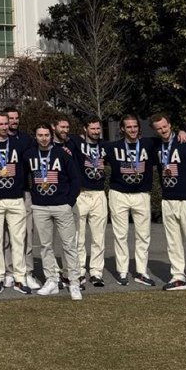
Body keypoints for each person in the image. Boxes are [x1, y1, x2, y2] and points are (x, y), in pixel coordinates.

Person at [149, 112, 186, 293]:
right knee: (173, 242)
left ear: (170, 125)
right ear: (155, 130)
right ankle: (178, 277)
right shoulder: (156, 145)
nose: (163, 130)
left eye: (165, 126)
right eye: (159, 128)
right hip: (168, 199)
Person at [0, 110, 33, 295]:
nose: (4, 127)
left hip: (15, 198)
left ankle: (20, 278)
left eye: (6, 123)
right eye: (0, 124)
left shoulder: (19, 144)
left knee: (19, 240)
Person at [28, 124, 83, 300]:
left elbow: (75, 179)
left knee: (69, 245)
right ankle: (51, 280)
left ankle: (74, 282)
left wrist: (69, 202)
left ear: (51, 136)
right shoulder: (30, 154)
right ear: (35, 136)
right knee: (45, 246)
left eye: (46, 135)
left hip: (62, 206)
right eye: (40, 135)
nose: (43, 138)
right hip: (40, 207)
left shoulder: (62, 154)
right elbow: (24, 177)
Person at [106, 114, 157, 287]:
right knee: (120, 234)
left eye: (135, 126)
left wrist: (181, 133)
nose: (132, 129)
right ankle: (122, 271)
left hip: (141, 194)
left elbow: (167, 137)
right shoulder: (113, 147)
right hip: (118, 194)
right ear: (122, 129)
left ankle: (141, 272)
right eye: (128, 127)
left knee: (143, 235)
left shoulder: (149, 144)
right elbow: (88, 146)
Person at [2, 106, 40, 290]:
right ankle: (9, 272)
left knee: (26, 235)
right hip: (3, 193)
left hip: (23, 192)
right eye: (10, 118)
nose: (14, 121)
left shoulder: (26, 139)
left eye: (16, 118)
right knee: (6, 236)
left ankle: (27, 272)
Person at [71, 117, 109, 288]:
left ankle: (96, 272)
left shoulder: (105, 146)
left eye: (98, 129)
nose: (96, 132)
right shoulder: (76, 142)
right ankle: (79, 271)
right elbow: (58, 134)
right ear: (85, 129)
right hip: (81, 194)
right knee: (78, 236)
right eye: (92, 129)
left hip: (99, 193)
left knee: (98, 237)